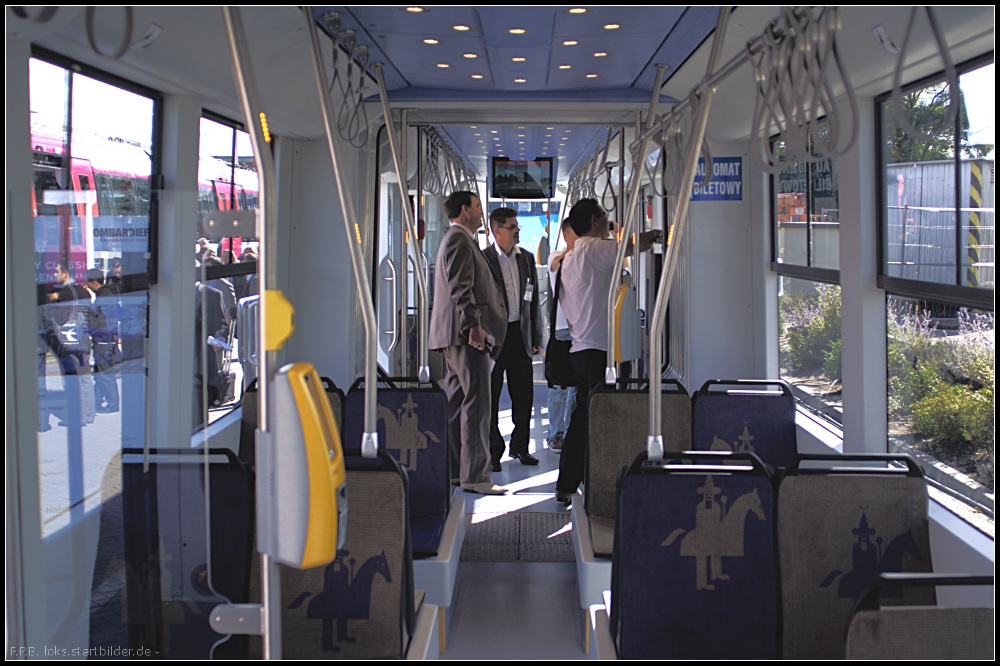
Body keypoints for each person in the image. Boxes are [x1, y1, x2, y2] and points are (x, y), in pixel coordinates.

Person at [554, 199, 661, 503]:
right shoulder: (593, 248)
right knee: (591, 421)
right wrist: (655, 235)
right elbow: (628, 247)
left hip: (579, 349)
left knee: (584, 418)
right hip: (597, 352)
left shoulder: (572, 257)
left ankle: (577, 480)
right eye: (605, 215)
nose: (608, 219)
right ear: (594, 220)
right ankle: (583, 483)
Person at [428, 191, 509, 495]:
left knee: (457, 402)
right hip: (466, 336)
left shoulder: (456, 239)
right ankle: (476, 477)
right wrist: (472, 326)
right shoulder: (459, 240)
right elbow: (461, 286)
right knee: (477, 404)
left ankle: (453, 471)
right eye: (477, 207)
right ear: (464, 210)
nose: (480, 212)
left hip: (453, 335)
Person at [483, 207, 543, 471]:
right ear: (497, 231)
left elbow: (533, 303)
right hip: (494, 337)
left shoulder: (526, 259)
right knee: (491, 396)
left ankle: (520, 447)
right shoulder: (483, 259)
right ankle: (493, 450)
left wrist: (537, 336)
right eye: (512, 226)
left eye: (517, 226)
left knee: (524, 395)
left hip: (520, 334)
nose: (518, 230)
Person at [46, 259, 96, 427]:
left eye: (57, 272)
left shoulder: (65, 293)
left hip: (70, 339)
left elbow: (60, 318)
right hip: (85, 338)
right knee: (85, 377)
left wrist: (53, 301)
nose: (55, 275)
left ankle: (78, 417)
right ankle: (89, 414)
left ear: (65, 274)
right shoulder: (84, 292)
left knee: (72, 380)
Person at [545, 218, 580, 453]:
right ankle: (555, 434)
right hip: (561, 329)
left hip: (583, 330)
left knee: (576, 385)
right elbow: (557, 265)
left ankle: (571, 433)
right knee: (559, 386)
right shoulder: (557, 256)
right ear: (567, 235)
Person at [85, 268, 121, 414]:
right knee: (100, 375)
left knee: (106, 374)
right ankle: (97, 401)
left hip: (103, 341)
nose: (87, 287)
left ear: (94, 283)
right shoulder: (106, 295)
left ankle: (113, 404)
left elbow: (102, 321)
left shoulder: (103, 297)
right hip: (106, 340)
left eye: (88, 284)